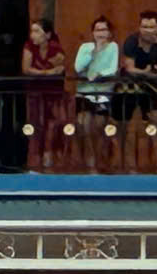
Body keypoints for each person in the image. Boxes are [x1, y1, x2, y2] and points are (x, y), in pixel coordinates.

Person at [117, 8, 157, 167]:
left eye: (151, 27)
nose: (148, 31)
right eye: (144, 27)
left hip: (151, 87)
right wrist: (148, 73)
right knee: (128, 127)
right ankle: (129, 167)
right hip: (128, 86)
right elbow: (130, 68)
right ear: (139, 27)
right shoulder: (131, 41)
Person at [73, 16, 119, 166]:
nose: (101, 33)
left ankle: (101, 159)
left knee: (99, 127)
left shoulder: (113, 47)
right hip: (84, 92)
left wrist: (99, 74)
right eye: (97, 30)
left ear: (110, 32)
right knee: (84, 126)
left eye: (104, 30)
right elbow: (78, 68)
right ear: (92, 33)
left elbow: (112, 68)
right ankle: (90, 162)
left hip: (103, 94)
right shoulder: (85, 47)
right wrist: (94, 52)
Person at [21, 23, 68, 168]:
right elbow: (26, 68)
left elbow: (60, 67)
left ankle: (52, 155)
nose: (32, 35)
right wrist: (46, 73)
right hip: (35, 91)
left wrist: (43, 72)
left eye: (37, 31)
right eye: (32, 31)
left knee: (54, 123)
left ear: (47, 35)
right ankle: (35, 158)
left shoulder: (56, 48)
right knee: (36, 124)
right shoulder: (29, 46)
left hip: (53, 91)